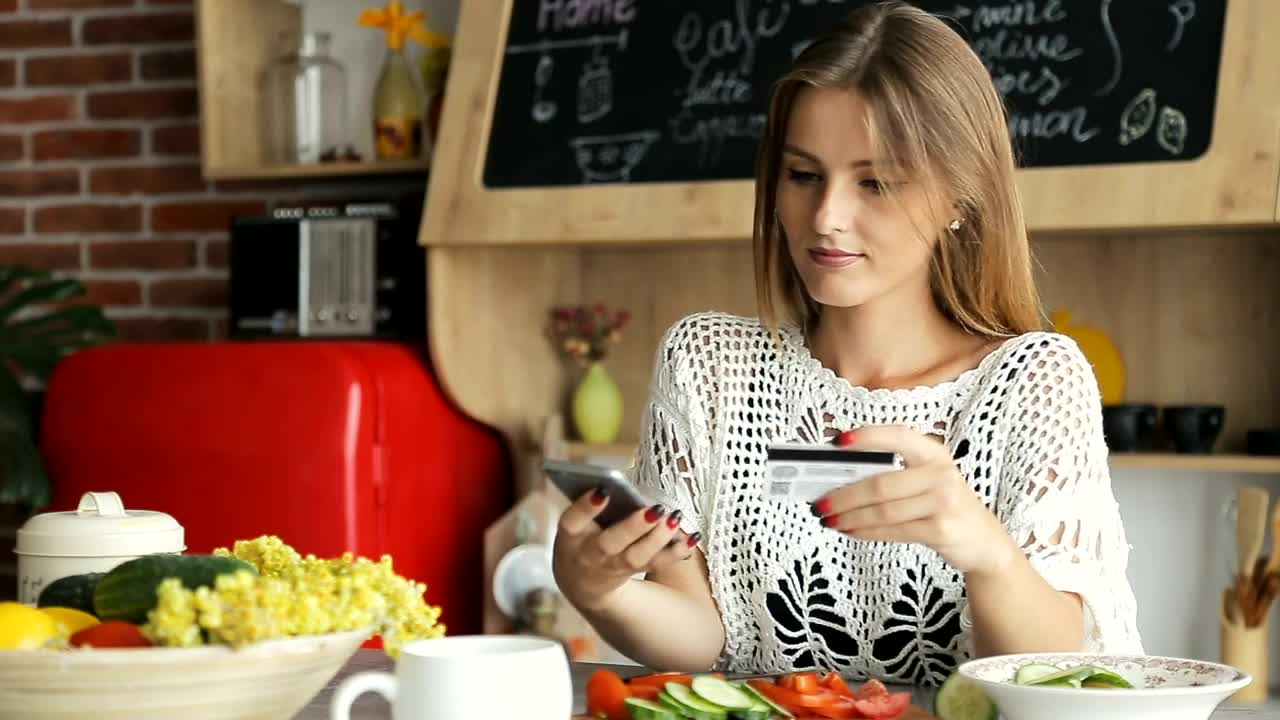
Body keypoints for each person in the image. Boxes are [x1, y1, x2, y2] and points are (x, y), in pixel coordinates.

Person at [550, 0, 1143, 685]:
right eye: (803, 175)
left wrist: (986, 552)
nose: (827, 217)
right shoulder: (708, 364)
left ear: (959, 199)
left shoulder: (1033, 381)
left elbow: (1059, 673)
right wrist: (602, 590)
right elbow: (702, 633)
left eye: (876, 182)